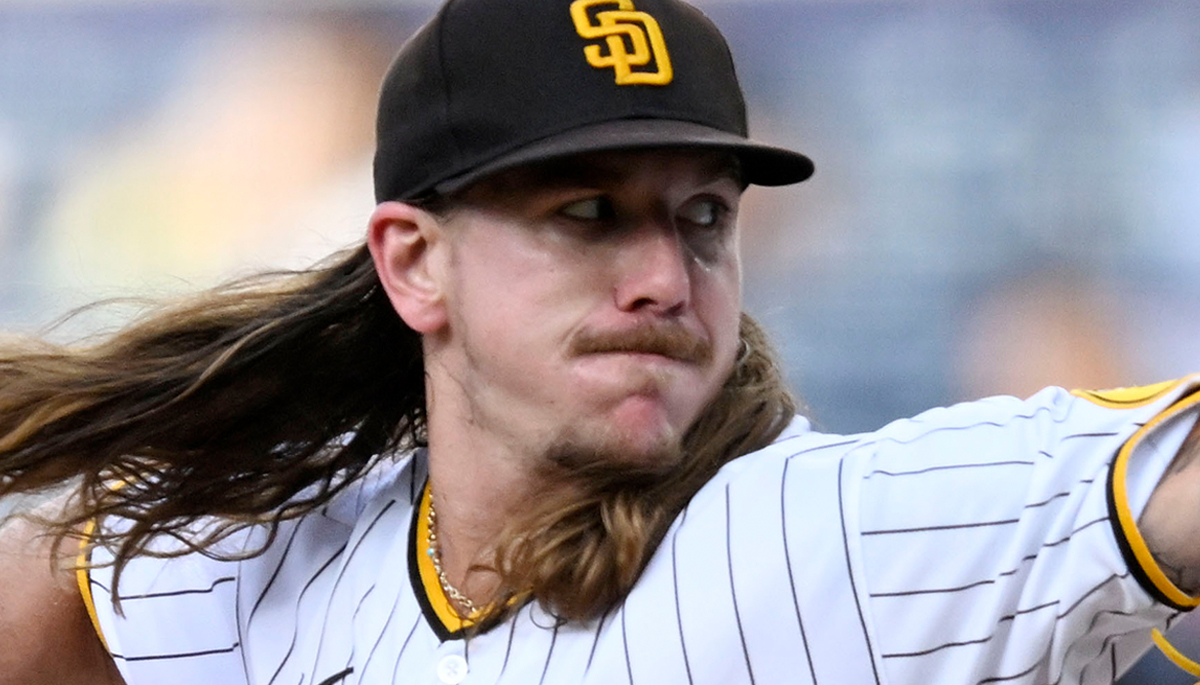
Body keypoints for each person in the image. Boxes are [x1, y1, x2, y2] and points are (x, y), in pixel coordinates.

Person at [1, 0, 1199, 683]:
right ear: (416, 261)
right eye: (587, 215)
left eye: (704, 218)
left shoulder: (835, 532)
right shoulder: (253, 567)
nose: (665, 279)